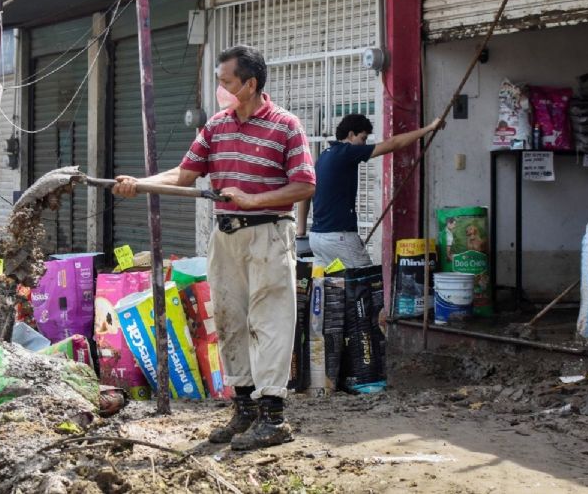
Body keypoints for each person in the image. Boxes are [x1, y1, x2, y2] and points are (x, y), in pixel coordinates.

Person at [112, 45, 315, 450]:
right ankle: (243, 409)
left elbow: (306, 184)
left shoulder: (286, 126)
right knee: (228, 320)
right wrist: (140, 183)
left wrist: (254, 199)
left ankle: (273, 416)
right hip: (226, 237)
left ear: (250, 84)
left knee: (270, 322)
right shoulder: (217, 126)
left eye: (226, 82)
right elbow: (185, 175)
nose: (220, 89)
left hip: (269, 234)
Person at [297, 114, 441, 268]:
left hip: (317, 238)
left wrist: (301, 231)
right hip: (338, 236)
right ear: (351, 135)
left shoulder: (323, 156)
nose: (364, 144)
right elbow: (393, 144)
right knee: (367, 284)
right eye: (363, 138)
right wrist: (429, 128)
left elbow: (305, 194)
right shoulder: (347, 152)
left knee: (329, 288)